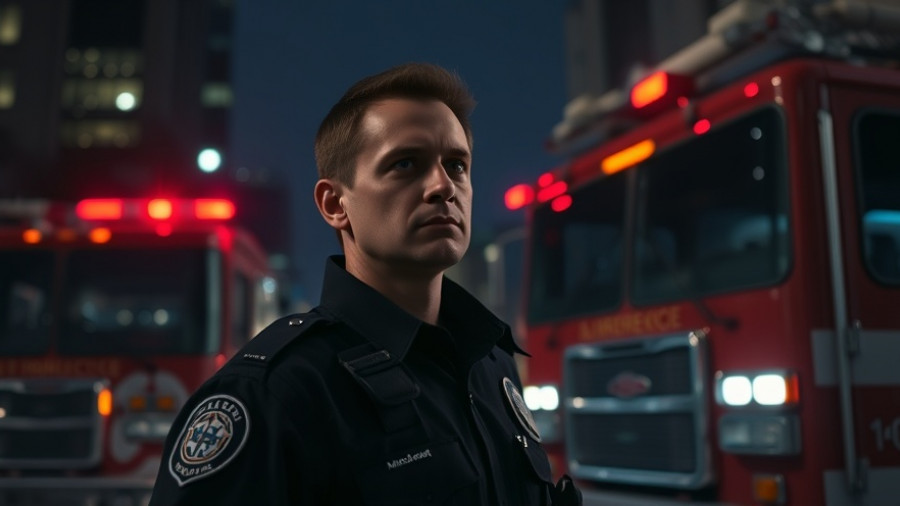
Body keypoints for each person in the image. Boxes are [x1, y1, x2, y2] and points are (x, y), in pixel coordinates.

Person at [149, 62, 581, 505]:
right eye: (405, 164)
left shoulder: (493, 366)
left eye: (456, 165)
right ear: (335, 204)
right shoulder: (273, 394)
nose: (443, 186)